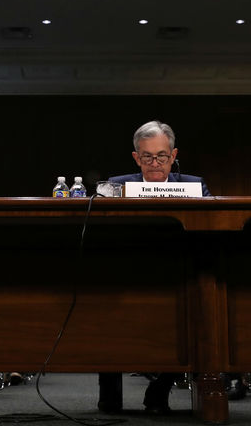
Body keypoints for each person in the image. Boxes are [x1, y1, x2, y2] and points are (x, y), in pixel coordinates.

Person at [100, 121, 211, 414]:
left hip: (179, 274)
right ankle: (109, 397)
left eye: (162, 156)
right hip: (129, 272)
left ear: (174, 155)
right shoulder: (115, 185)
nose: (155, 163)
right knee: (105, 304)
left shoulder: (195, 186)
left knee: (199, 311)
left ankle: (159, 388)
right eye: (147, 157)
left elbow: (210, 231)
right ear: (136, 158)